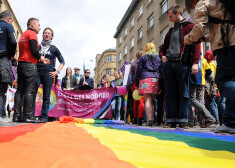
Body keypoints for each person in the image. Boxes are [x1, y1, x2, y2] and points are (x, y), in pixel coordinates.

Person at [184, 0, 235, 133]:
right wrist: (205, 38)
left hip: (228, 45)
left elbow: (200, 27)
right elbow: (220, 25)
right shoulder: (218, 3)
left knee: (223, 82)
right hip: (230, 39)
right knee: (232, 81)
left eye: (192, 7)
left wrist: (188, 38)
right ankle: (231, 122)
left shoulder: (203, 2)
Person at [159, 5, 200, 129]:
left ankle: (183, 120)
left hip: (182, 64)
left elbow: (196, 44)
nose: (170, 19)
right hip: (168, 65)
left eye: (171, 16)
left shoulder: (190, 26)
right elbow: (162, 48)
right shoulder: (170, 31)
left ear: (178, 13)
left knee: (184, 93)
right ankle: (170, 120)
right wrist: (162, 56)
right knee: (170, 93)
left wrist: (195, 62)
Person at [13, 18, 50, 123]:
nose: (40, 27)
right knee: (30, 90)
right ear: (33, 24)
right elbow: (34, 50)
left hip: (21, 64)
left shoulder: (23, 35)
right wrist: (41, 58)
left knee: (20, 90)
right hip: (29, 65)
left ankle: (17, 116)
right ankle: (28, 116)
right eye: (39, 25)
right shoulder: (32, 34)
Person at [32, 27, 65, 122]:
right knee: (33, 93)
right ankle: (32, 116)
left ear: (52, 36)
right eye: (45, 33)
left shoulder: (54, 48)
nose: (47, 34)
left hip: (49, 74)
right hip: (37, 72)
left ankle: (44, 117)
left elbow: (62, 61)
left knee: (46, 96)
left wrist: (56, 72)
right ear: (42, 35)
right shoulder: (37, 46)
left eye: (49, 33)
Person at [135, 42, 162, 126]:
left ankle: (149, 120)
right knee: (152, 101)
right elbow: (161, 69)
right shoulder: (158, 58)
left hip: (145, 78)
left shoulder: (143, 57)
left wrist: (136, 82)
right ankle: (152, 119)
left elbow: (138, 70)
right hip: (155, 79)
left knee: (147, 100)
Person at [0, 10, 17, 122]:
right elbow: (14, 42)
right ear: (9, 19)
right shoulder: (8, 26)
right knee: (2, 89)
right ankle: (1, 115)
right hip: (3, 59)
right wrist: (11, 55)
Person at [129, 51, 145, 125]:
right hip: (142, 83)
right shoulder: (144, 63)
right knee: (141, 101)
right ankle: (140, 119)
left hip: (133, 84)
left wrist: (129, 85)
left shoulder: (133, 64)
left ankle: (135, 118)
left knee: (135, 101)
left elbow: (130, 76)